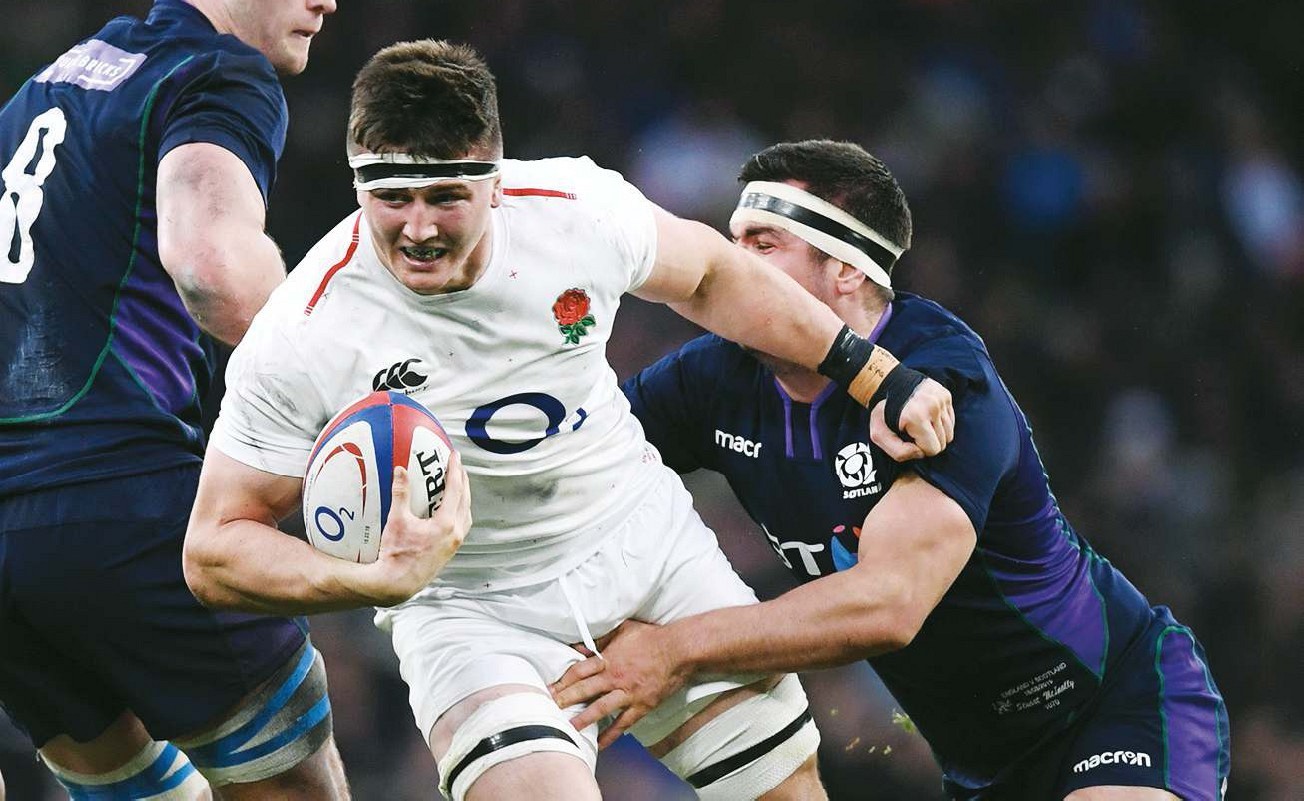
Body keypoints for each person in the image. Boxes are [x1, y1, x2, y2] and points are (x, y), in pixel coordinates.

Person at [182, 41, 956, 801]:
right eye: (391, 196)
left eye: (444, 196)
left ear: (495, 179)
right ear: (358, 182)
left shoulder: (573, 213)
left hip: (643, 546)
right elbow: (214, 547)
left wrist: (872, 372)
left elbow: (713, 275)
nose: (416, 228)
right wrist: (367, 579)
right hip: (474, 609)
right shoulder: (305, 330)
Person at [552, 140, 1232, 801]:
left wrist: (674, 649)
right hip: (984, 769)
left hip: (1114, 700)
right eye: (733, 242)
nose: (735, 264)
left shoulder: (940, 379)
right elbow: (573, 463)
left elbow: (889, 603)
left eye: (763, 244)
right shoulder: (712, 377)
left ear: (847, 270)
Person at [0, 2, 351, 799]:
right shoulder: (214, 73)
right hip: (117, 502)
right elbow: (213, 269)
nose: (328, 2)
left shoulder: (45, 89)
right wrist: (357, 387)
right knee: (295, 785)